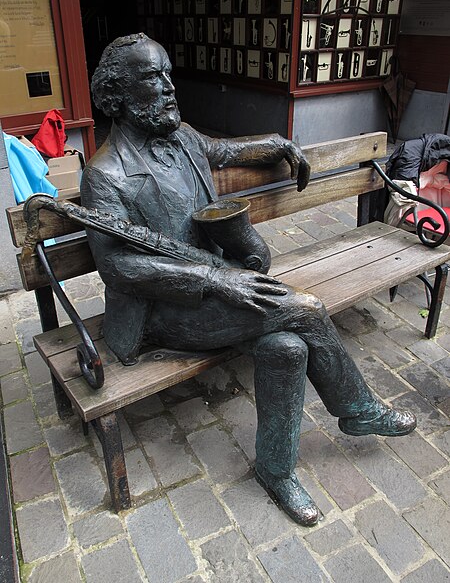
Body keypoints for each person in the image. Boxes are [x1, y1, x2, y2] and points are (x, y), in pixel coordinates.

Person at [81, 33, 416, 527]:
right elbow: (119, 269)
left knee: (288, 349)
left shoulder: (183, 138)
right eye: (153, 77)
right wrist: (217, 283)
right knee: (304, 307)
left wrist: (277, 143)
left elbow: (224, 150)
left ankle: (275, 471)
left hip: (219, 288)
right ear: (117, 96)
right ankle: (357, 408)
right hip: (164, 313)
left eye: (168, 73)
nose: (170, 87)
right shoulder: (105, 174)